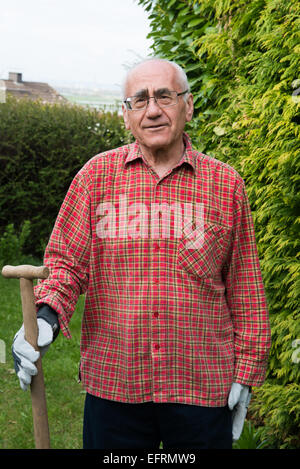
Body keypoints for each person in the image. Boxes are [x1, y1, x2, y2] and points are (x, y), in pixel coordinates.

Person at [12, 58, 271, 449]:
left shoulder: (225, 184)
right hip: (115, 385)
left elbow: (245, 290)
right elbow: (66, 265)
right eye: (140, 100)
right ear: (126, 113)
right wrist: (45, 317)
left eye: (164, 96)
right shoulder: (95, 177)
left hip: (201, 386)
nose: (152, 110)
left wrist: (246, 373)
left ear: (189, 105)